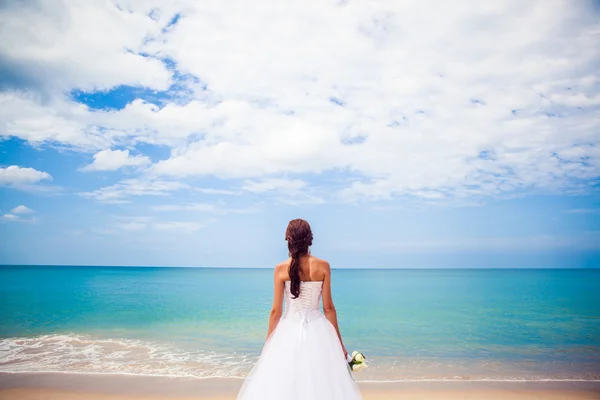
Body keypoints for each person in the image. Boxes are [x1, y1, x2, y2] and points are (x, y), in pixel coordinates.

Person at [237, 219, 363, 399]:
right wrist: (339, 344)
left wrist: (269, 343)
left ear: (288, 239)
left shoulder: (280, 269)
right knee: (322, 383)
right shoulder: (323, 266)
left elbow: (276, 312)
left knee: (284, 383)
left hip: (288, 330)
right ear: (309, 239)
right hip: (318, 331)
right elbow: (328, 308)